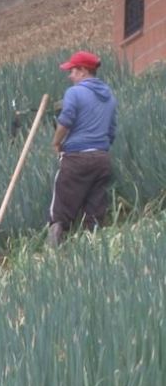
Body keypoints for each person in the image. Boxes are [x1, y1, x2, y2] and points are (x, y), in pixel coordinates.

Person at [48, 50, 118, 247]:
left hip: (76, 158)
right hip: (102, 158)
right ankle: (92, 251)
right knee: (95, 211)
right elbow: (112, 132)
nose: (70, 76)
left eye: (72, 71)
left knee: (61, 209)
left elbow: (66, 119)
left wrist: (56, 142)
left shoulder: (75, 93)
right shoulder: (110, 97)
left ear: (83, 71)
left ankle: (54, 252)